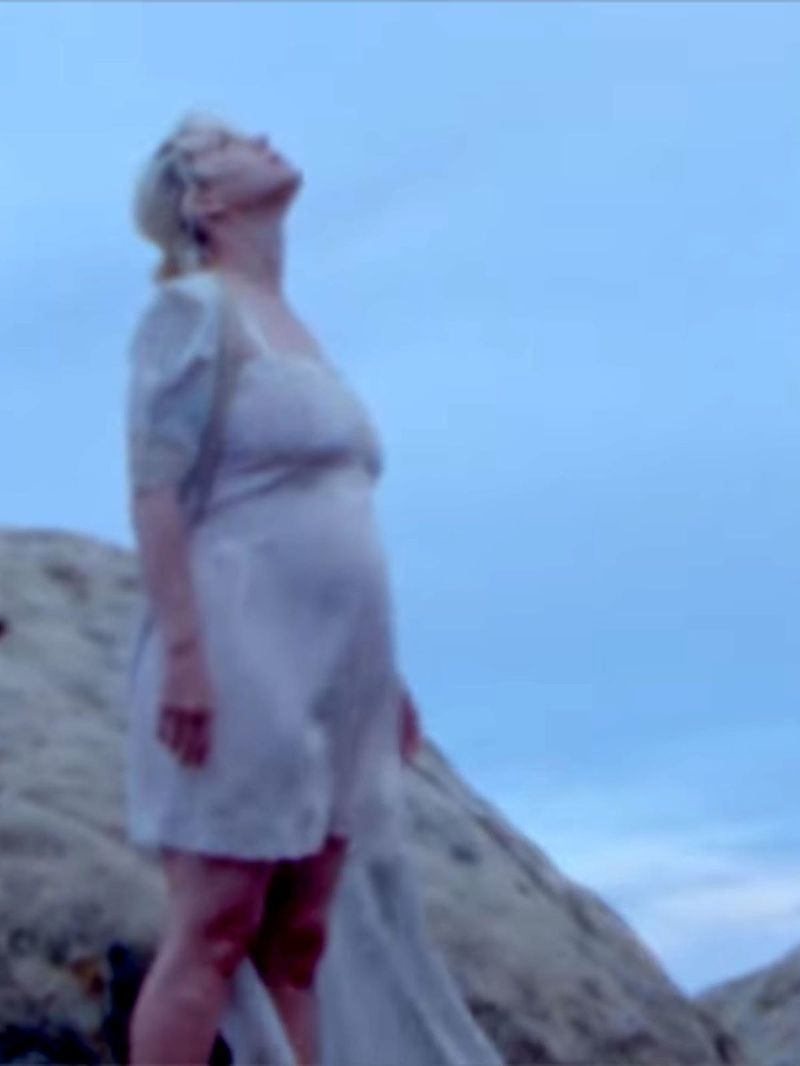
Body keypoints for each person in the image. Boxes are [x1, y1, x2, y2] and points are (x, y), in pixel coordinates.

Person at [121, 112, 501, 1066]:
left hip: (341, 667)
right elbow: (156, 490)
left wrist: (384, 678)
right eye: (227, 143)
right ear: (204, 199)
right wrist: (186, 653)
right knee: (215, 926)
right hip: (241, 644)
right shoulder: (193, 312)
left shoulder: (293, 322)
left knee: (300, 940)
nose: (261, 137)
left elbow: (330, 511)